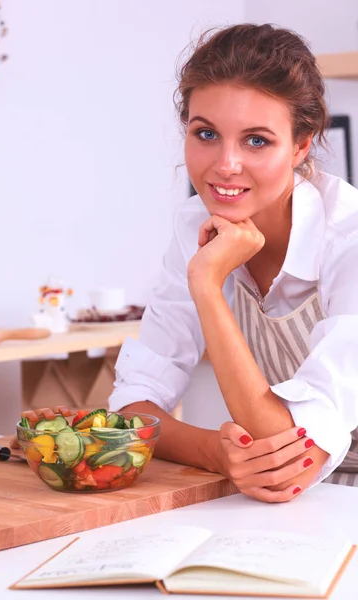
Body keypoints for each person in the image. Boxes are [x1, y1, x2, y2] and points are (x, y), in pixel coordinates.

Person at [22, 23, 358, 503]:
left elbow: (287, 453)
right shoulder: (194, 226)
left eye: (257, 141)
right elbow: (134, 410)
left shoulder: (349, 239)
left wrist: (205, 282)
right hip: (292, 500)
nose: (225, 164)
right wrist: (216, 452)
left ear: (301, 145)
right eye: (206, 134)